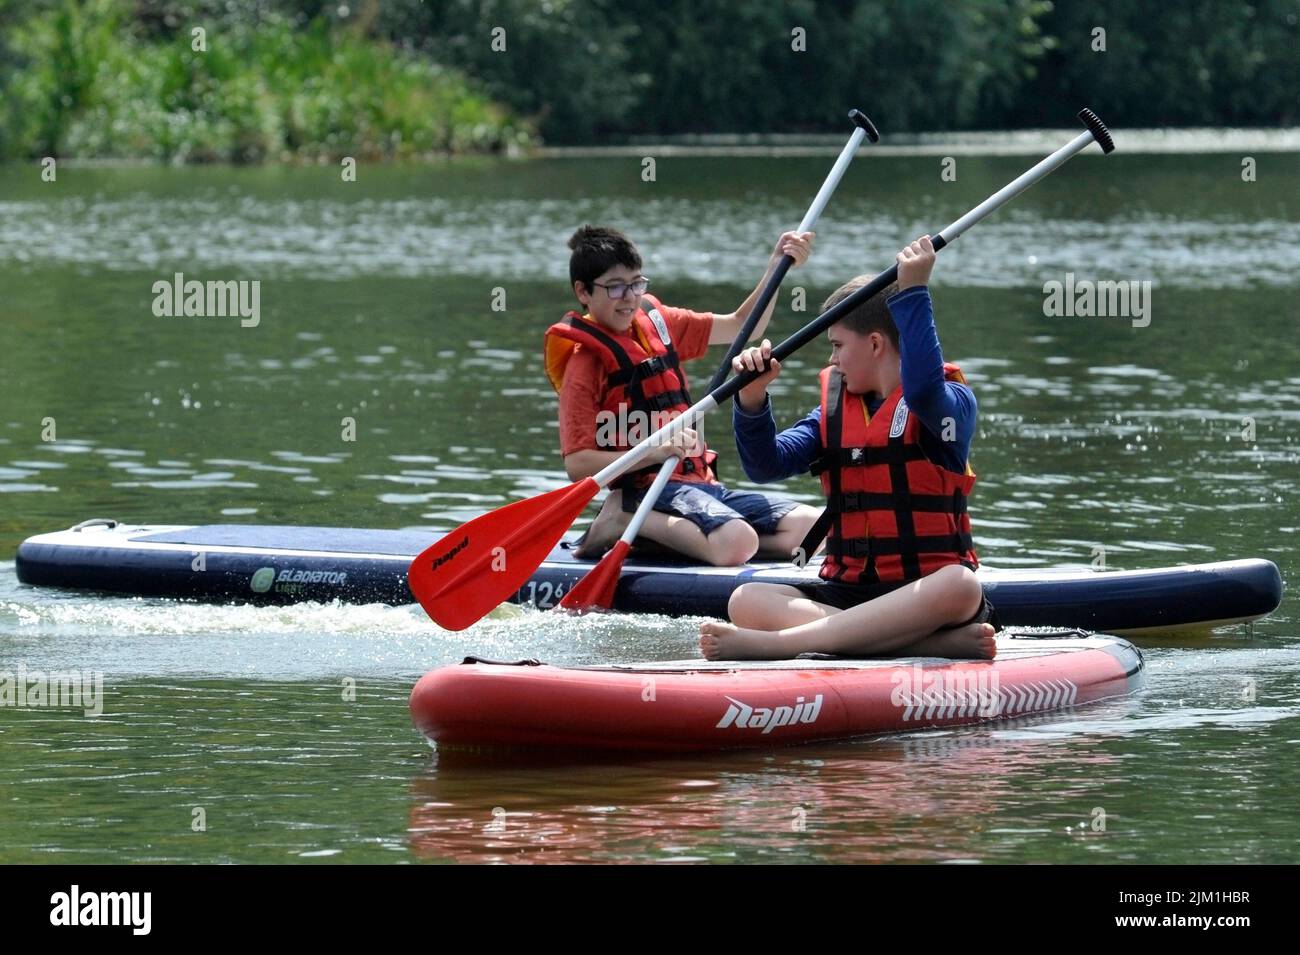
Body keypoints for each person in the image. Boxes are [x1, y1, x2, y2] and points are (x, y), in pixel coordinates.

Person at [699, 235, 999, 660]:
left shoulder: (951, 404)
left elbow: (924, 393)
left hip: (927, 598)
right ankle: (919, 645)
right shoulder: (834, 415)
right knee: (745, 599)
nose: (833, 361)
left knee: (961, 584)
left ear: (875, 344)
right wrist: (751, 401)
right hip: (849, 596)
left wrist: (915, 291)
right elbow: (766, 465)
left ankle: (782, 644)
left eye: (838, 346)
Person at [545, 225, 820, 566]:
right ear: (583, 292)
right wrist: (653, 450)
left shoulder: (659, 324)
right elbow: (577, 465)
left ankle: (668, 540)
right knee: (737, 541)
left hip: (698, 485)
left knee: (813, 529)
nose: (629, 297)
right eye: (615, 287)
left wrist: (776, 266)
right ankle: (624, 518)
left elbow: (742, 325)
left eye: (636, 283)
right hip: (646, 490)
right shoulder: (584, 366)